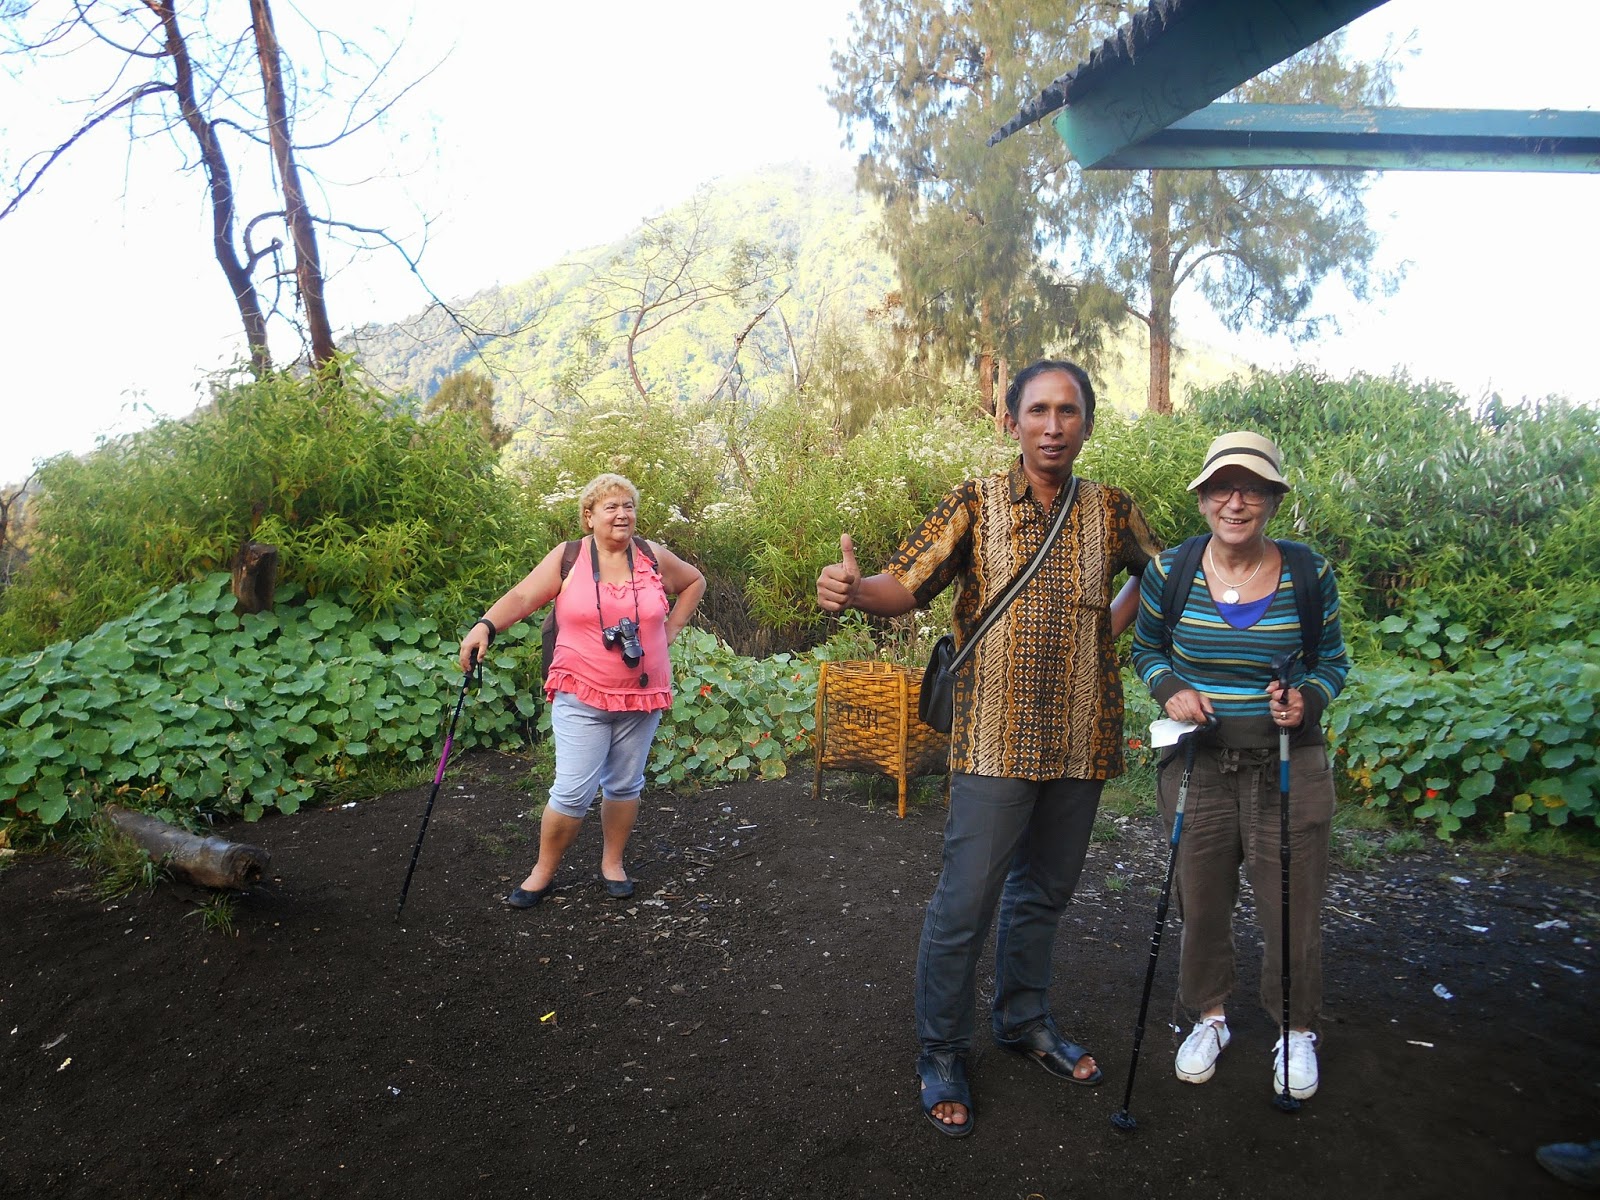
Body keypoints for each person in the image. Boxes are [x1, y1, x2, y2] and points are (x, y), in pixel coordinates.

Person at [816, 360, 1159, 1138]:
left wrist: (1110, 623)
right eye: (1037, 410)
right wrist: (851, 587)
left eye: (1068, 411)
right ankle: (942, 1049)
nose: (1052, 425)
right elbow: (904, 585)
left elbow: (1163, 574)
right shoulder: (975, 501)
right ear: (1010, 422)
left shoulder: (1112, 510)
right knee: (966, 902)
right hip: (994, 737)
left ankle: (1024, 1022)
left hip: (1082, 733)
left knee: (1045, 892)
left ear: (1087, 424)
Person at [1130, 431, 1350, 1101]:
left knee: (1292, 904)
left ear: (1273, 500)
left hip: (1288, 763)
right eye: (1223, 486)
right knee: (1201, 901)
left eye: (1252, 487)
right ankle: (1210, 1017)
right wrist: (1171, 689)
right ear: (1202, 499)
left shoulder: (1308, 573)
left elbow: (1333, 664)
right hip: (1198, 763)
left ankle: (1296, 1030)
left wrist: (1306, 701)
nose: (1236, 500)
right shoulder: (1171, 571)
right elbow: (1146, 651)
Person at [459, 473, 705, 906]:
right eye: (611, 507)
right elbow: (521, 597)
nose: (622, 514)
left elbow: (693, 582)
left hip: (642, 694)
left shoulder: (650, 555)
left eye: (628, 506)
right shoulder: (569, 558)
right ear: (588, 517)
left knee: (626, 785)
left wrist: (670, 631)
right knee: (572, 790)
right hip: (581, 692)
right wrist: (485, 626)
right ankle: (542, 871)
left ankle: (613, 863)